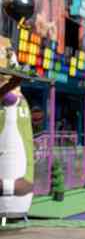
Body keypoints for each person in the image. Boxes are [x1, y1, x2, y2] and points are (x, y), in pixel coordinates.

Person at [0, 83, 34, 225]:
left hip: (18, 180)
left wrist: (6, 185)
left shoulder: (16, 101)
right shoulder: (19, 103)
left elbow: (10, 98)